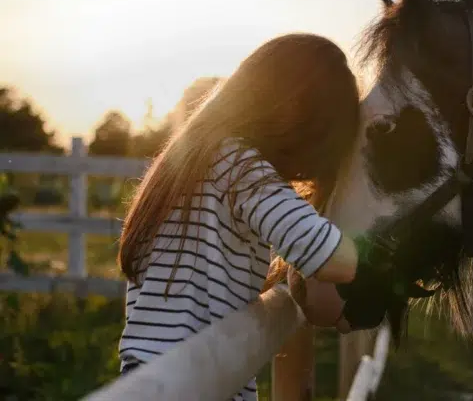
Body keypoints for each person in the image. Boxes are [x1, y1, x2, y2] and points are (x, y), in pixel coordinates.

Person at [117, 34, 367, 401]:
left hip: (146, 379)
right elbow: (333, 258)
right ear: (296, 114)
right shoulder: (239, 165)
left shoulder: (186, 164)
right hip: (198, 384)